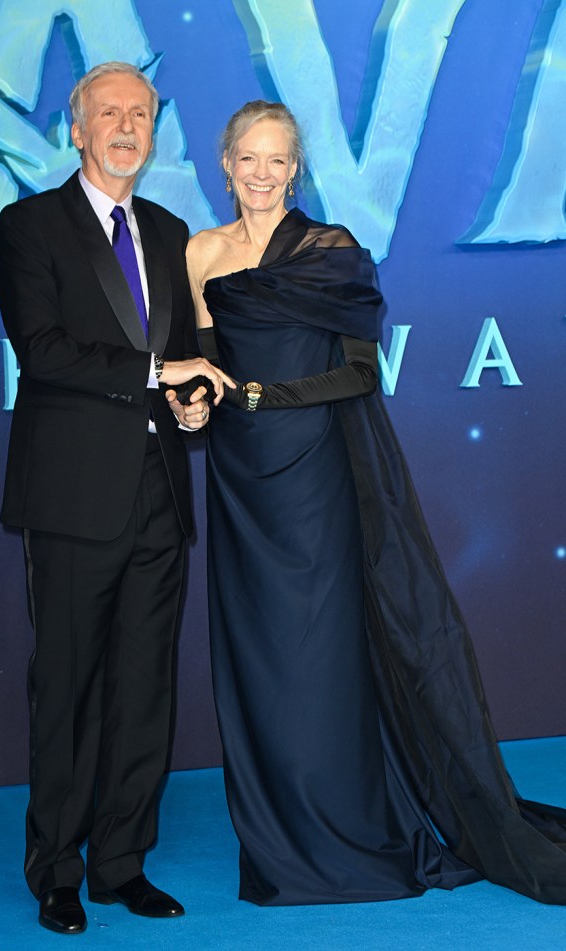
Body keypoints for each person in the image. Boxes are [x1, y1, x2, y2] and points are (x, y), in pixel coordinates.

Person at [186, 100, 566, 907]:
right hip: (240, 479)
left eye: (278, 160)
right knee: (260, 660)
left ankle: (354, 827)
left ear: (298, 168)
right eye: (248, 158)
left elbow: (358, 374)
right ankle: (279, 839)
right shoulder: (198, 253)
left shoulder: (332, 252)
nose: (262, 174)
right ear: (225, 162)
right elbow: (206, 367)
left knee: (321, 658)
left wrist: (260, 393)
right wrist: (196, 401)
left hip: (316, 475)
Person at [0, 62, 231, 935]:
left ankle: (121, 862)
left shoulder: (170, 231)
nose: (126, 126)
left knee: (144, 686)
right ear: (77, 128)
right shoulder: (28, 225)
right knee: (67, 688)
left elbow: (177, 360)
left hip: (160, 497)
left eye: (141, 112)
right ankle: (56, 869)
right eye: (109, 114)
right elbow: (44, 351)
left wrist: (190, 397)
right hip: (70, 499)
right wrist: (157, 371)